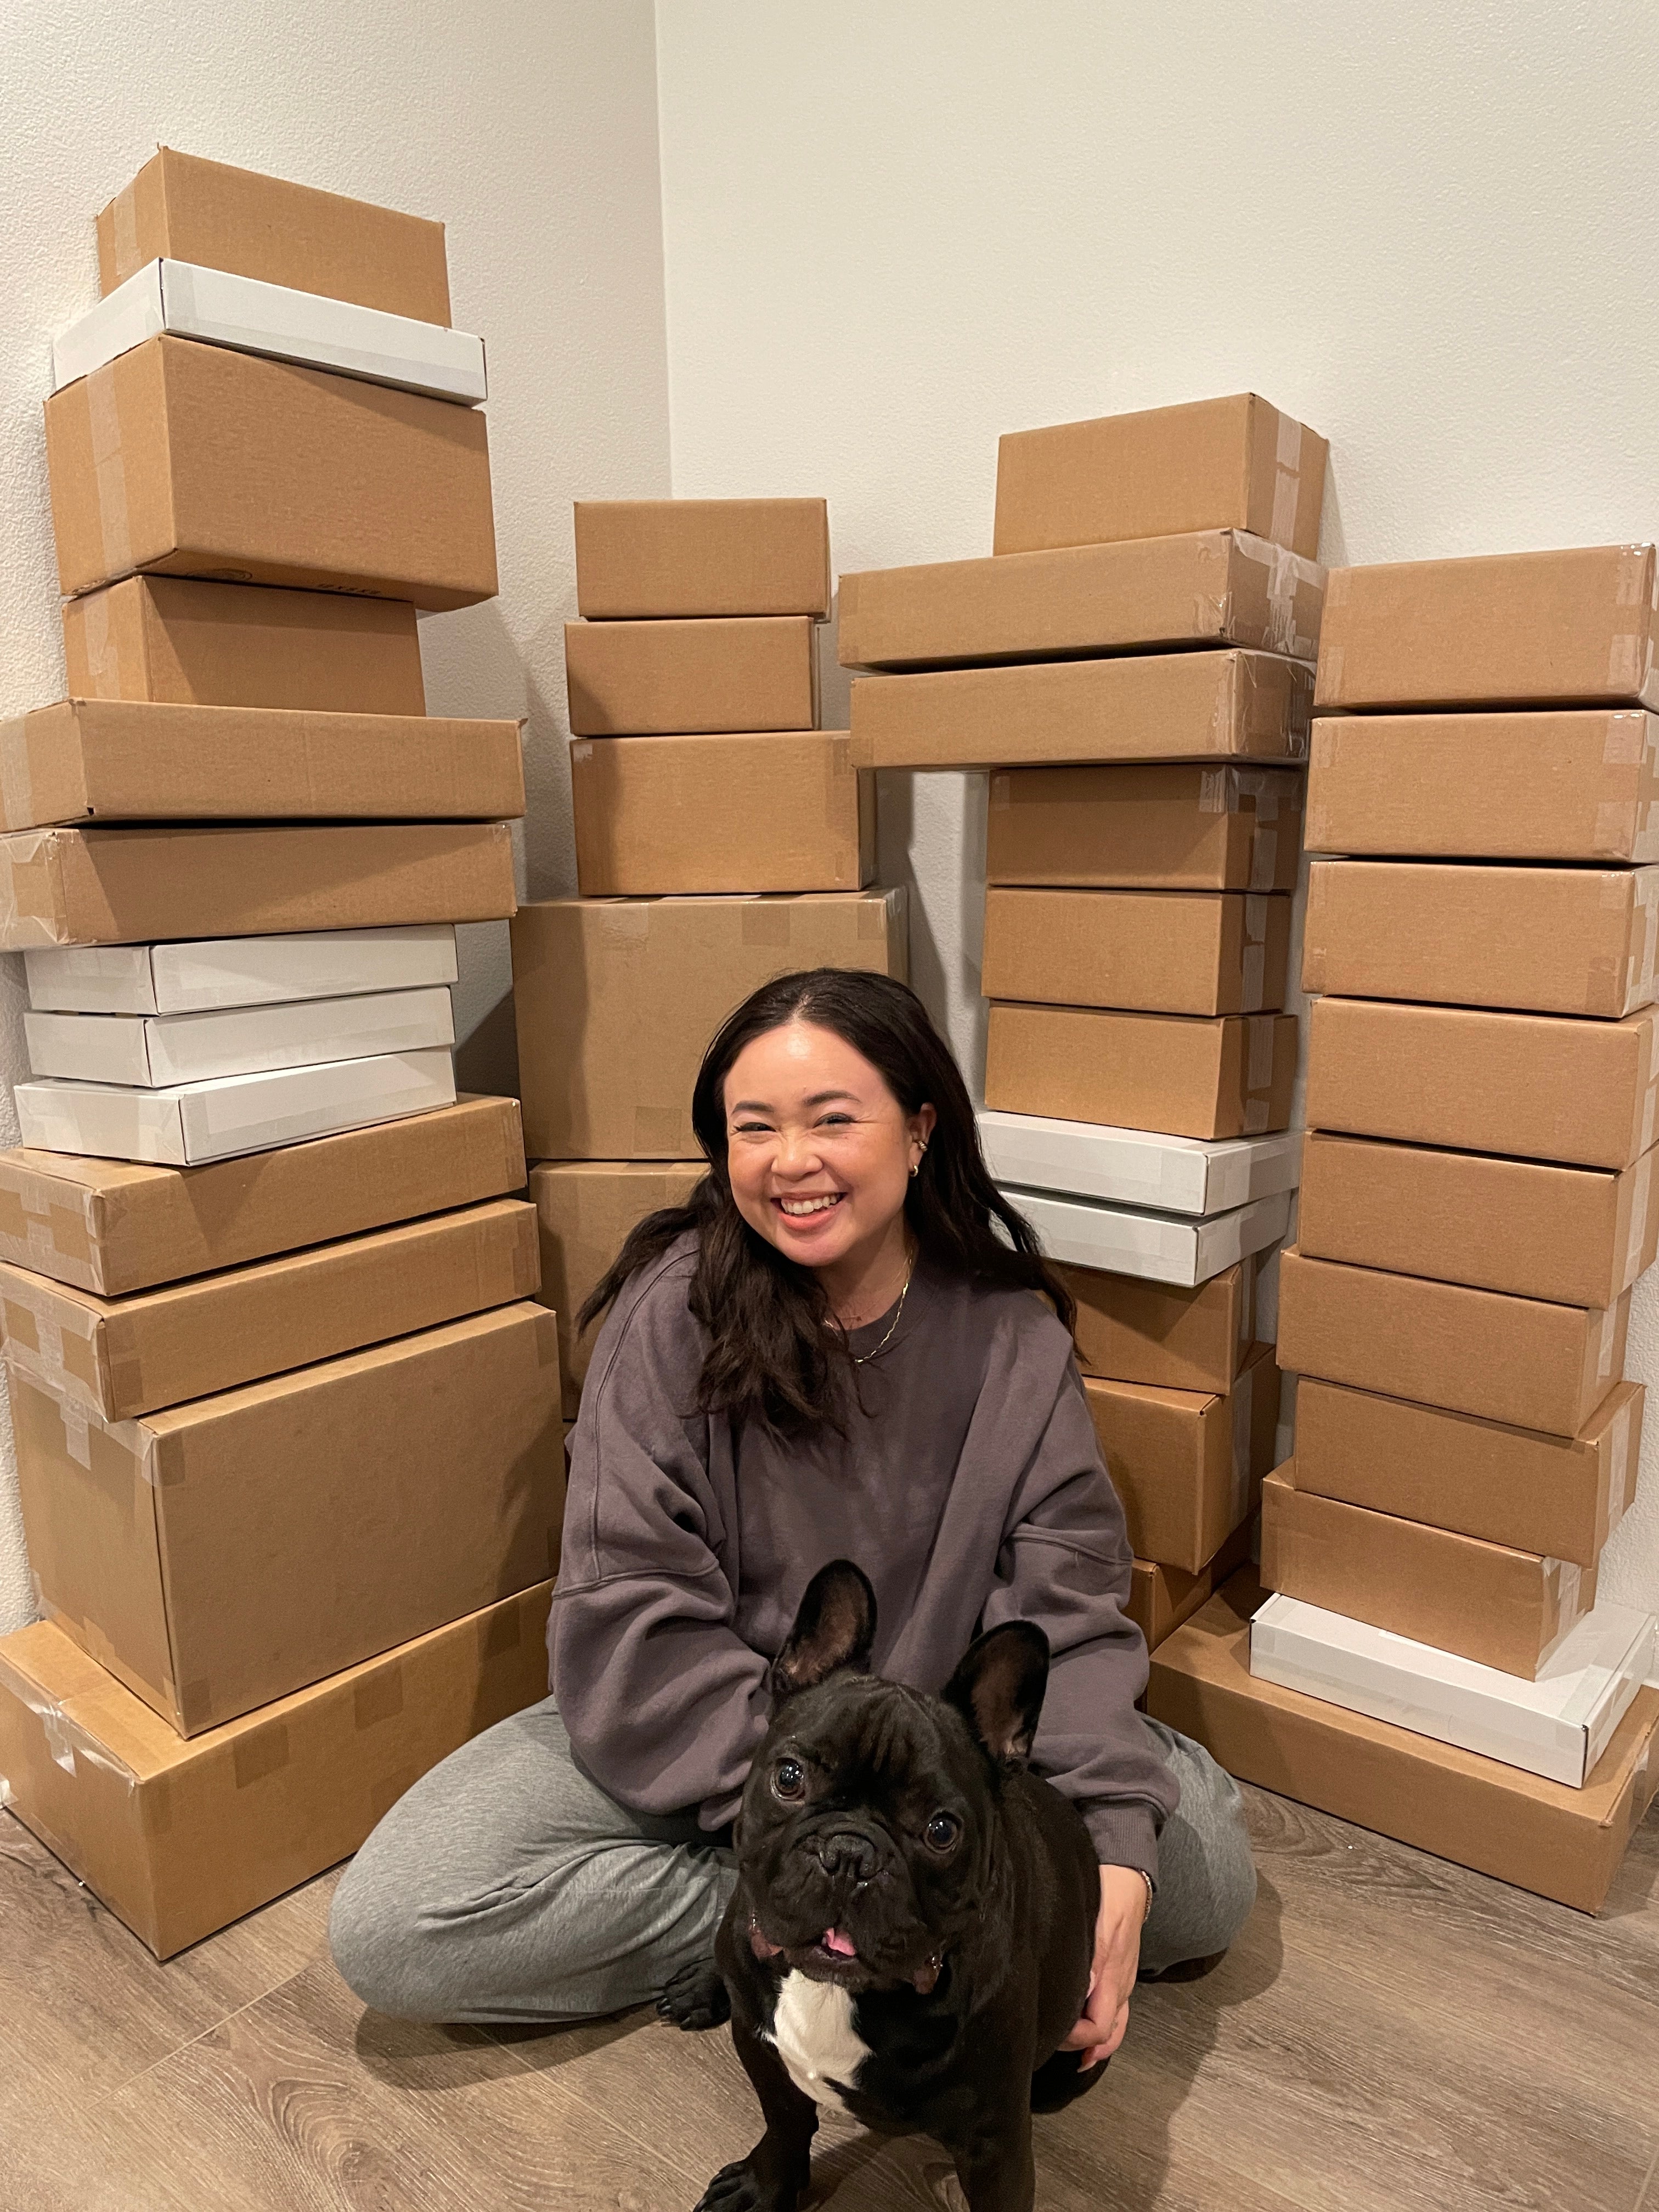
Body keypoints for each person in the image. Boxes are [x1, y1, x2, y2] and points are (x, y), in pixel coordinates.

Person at [329, 969, 1256, 2065]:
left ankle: (839, 1926)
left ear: (919, 1131)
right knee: (399, 1925)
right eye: (753, 1128)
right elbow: (631, 1618)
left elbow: (1071, 1604)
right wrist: (805, 1833)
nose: (791, 1161)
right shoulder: (672, 1315)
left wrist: (1105, 1848)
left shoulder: (1012, 1337)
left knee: (1198, 1885)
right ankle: (838, 1931)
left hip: (944, 1772)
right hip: (733, 1747)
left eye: (832, 1120)